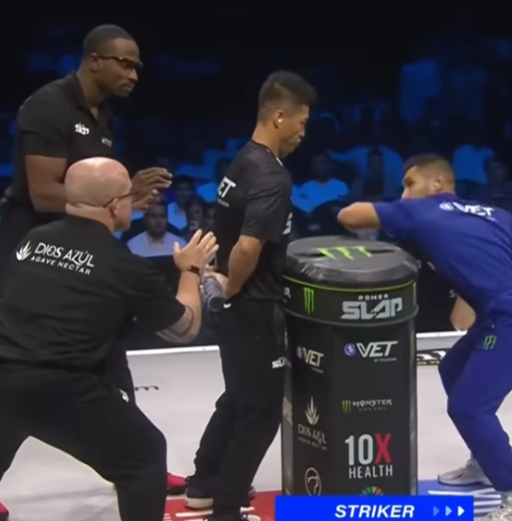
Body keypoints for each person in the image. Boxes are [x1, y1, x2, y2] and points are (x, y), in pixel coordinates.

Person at [0, 26, 185, 518]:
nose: (134, 73)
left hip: (80, 250)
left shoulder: (102, 117)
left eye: (138, 65)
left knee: (99, 356)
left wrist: (123, 200)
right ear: (94, 60)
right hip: (36, 251)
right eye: (125, 63)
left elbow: (88, 192)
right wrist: (110, 198)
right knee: (27, 364)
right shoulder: (48, 106)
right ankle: (137, 458)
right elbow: (44, 192)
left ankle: (133, 454)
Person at [337, 154, 512, 521]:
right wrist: (511, 281)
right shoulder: (490, 213)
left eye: (410, 184)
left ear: (438, 182)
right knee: (453, 368)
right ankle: (485, 462)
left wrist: (507, 290)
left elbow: (350, 215)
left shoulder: (424, 210)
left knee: (468, 407)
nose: (405, 195)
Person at [0, 157, 217, 521]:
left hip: (4, 376)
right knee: (144, 456)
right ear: (116, 205)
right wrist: (191, 270)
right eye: (131, 196)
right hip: (62, 388)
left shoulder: (33, 240)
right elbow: (184, 328)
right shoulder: (124, 265)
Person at [185, 71, 316, 521]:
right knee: (260, 412)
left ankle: (204, 483)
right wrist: (232, 289)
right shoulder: (271, 176)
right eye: (301, 122)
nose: (302, 132)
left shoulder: (242, 160)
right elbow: (246, 247)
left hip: (239, 308)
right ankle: (226, 508)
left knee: (239, 396)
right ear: (279, 117)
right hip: (256, 307)